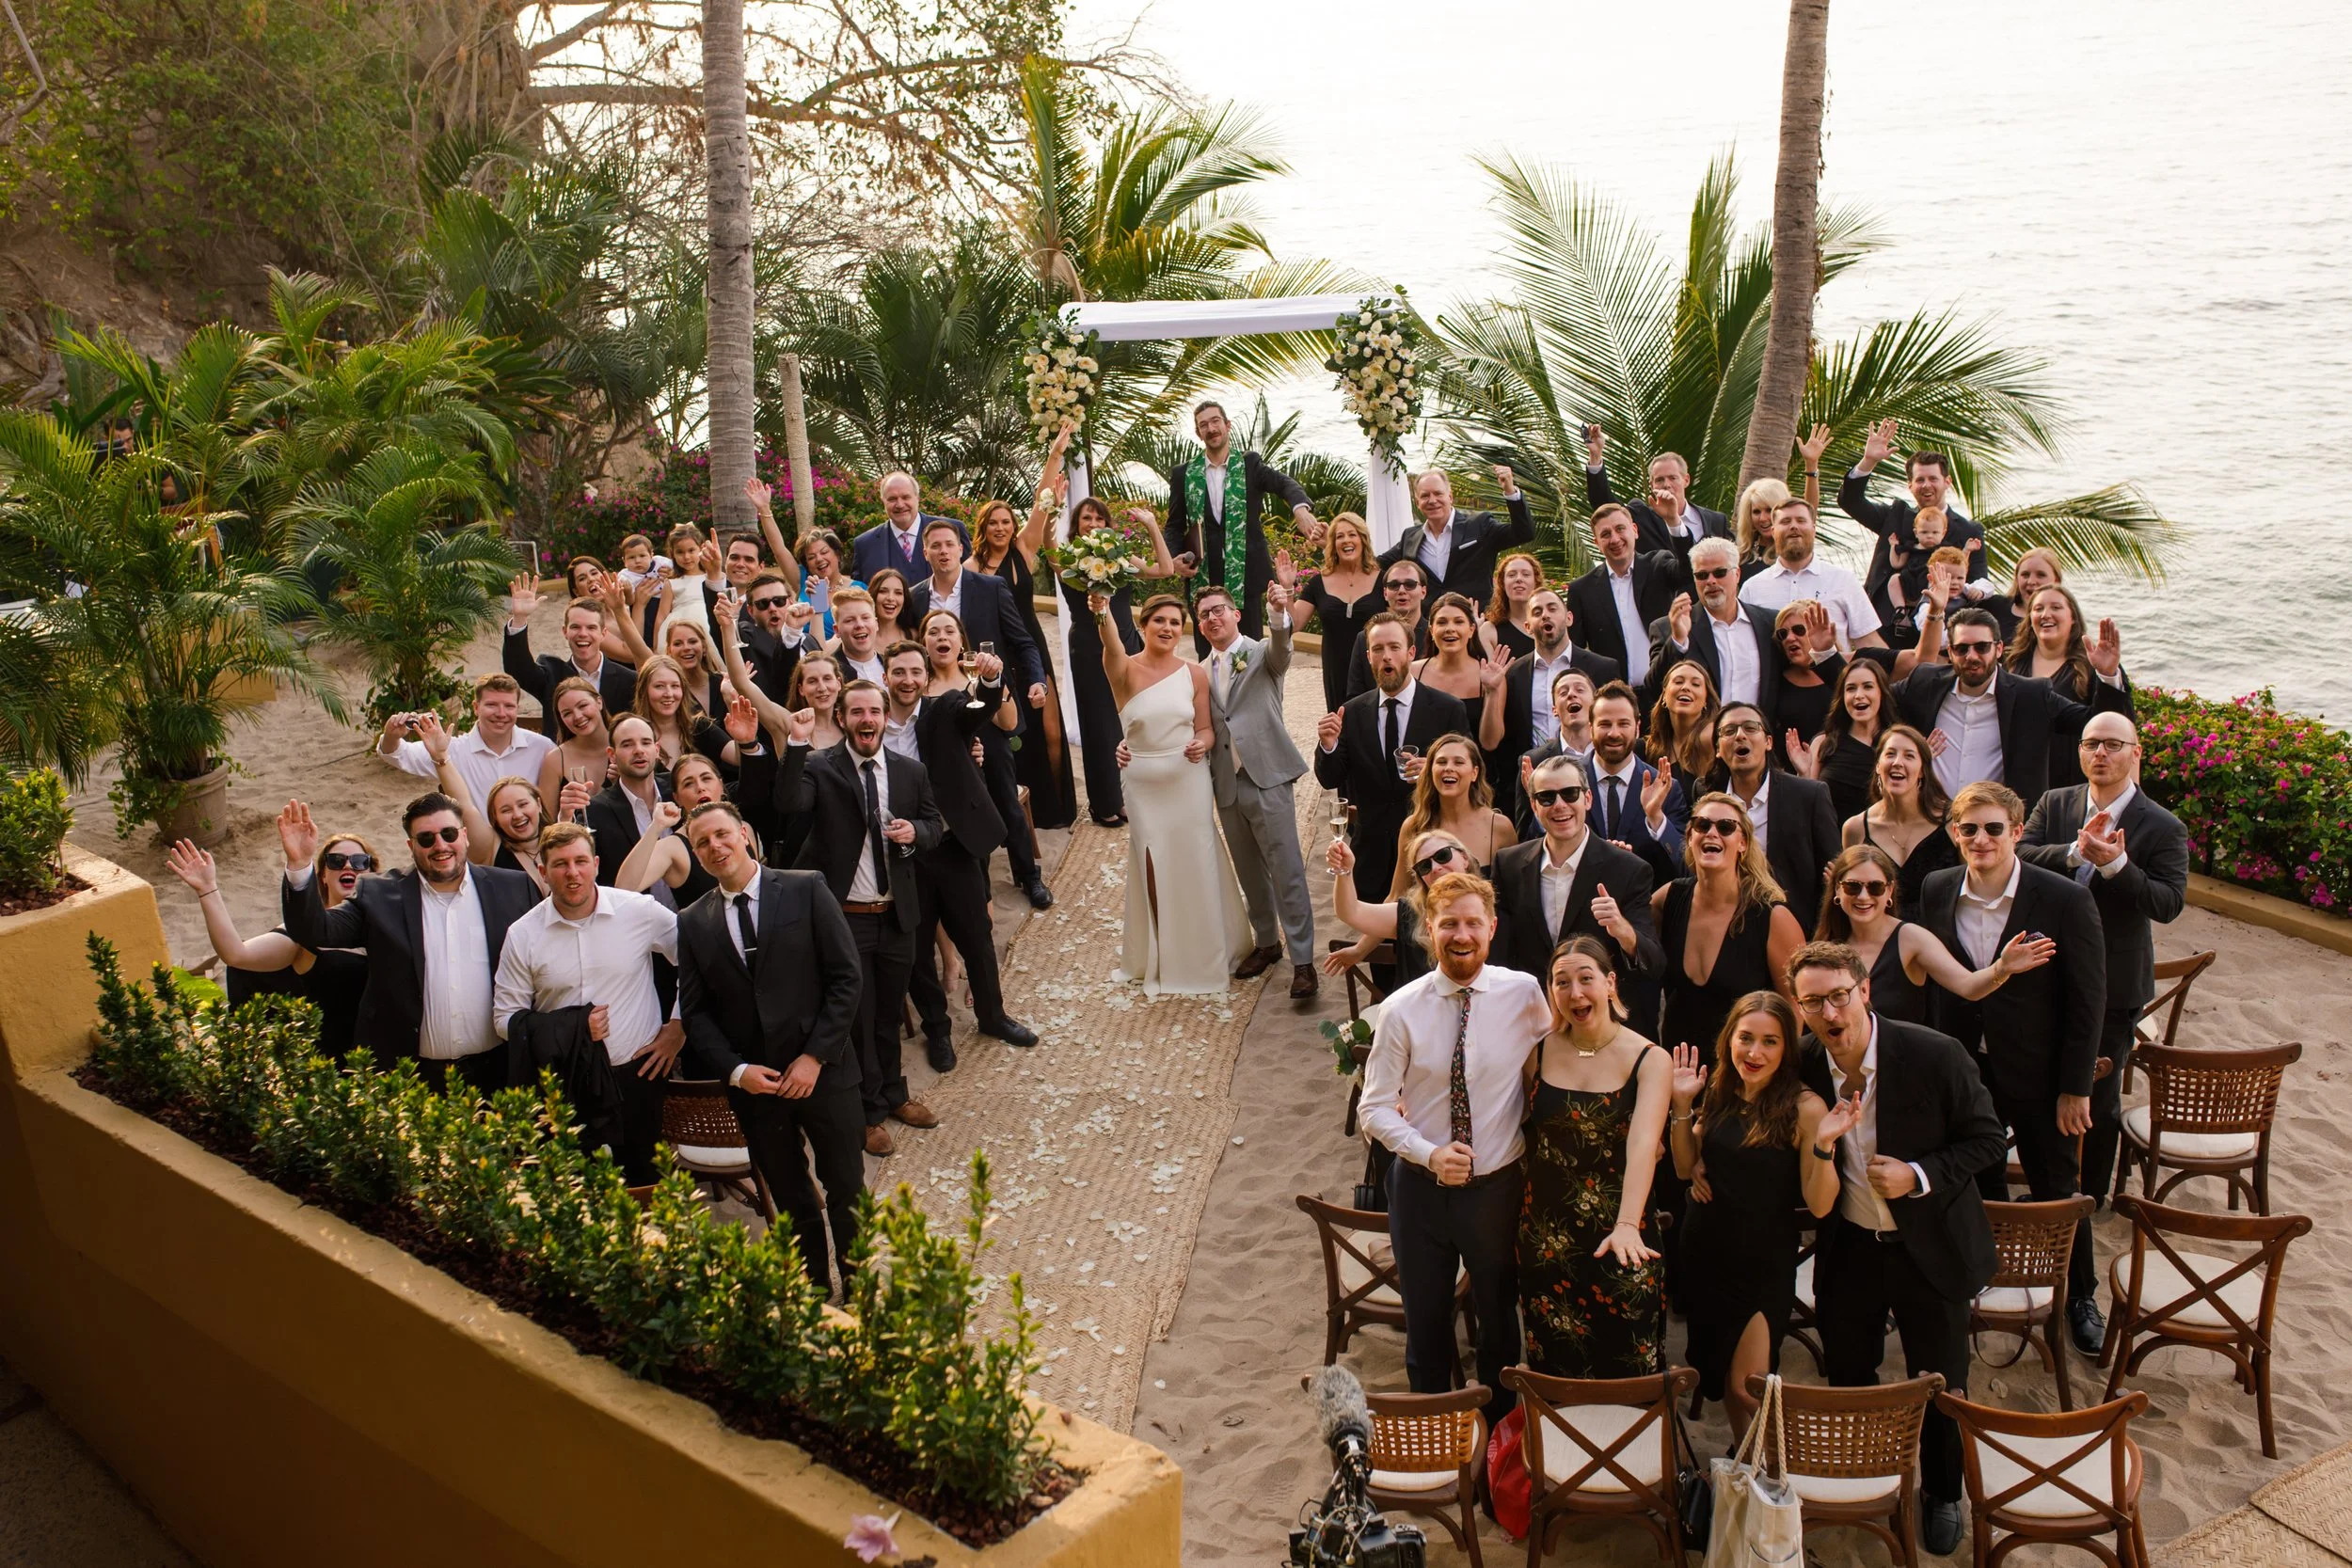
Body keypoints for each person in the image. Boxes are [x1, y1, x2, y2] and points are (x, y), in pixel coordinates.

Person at [1792, 942, 2003, 1558]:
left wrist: (1919, 1173)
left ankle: (1942, 1491)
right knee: (1849, 1368)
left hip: (1930, 1245)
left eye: (1839, 995)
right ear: (1800, 1008)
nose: (1829, 1012)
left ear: (1865, 991)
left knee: (1940, 1380)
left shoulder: (1935, 1053)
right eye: (1813, 1001)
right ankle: (1862, 1475)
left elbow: (1988, 1139)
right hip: (1851, 1246)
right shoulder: (1803, 1063)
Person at [2020, 714, 2189, 1353]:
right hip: (2043, 979)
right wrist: (2071, 853)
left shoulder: (2162, 826)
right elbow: (2020, 855)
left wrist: (2118, 864)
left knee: (2095, 1108)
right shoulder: (2057, 803)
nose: (2100, 753)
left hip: (2113, 993)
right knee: (2040, 1100)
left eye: (2113, 744)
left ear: (2135, 754)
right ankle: (2043, 1207)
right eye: (2091, 743)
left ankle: (2083, 1225)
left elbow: (2168, 903)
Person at [1359, 873, 1551, 1421]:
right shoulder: (1401, 1009)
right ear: (1429, 929)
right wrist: (1428, 1153)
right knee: (1425, 1324)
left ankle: (1499, 1433)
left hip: (1497, 1191)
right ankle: (1437, 1432)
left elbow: (1553, 1067)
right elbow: (1373, 1109)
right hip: (1420, 1193)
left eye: (1472, 923)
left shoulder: (1524, 994)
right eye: (1449, 924)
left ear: (1491, 928)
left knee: (1499, 1321)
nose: (1461, 935)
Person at [674, 800, 867, 1295]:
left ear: (744, 833)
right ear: (695, 854)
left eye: (721, 835)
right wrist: (738, 1072)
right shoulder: (693, 921)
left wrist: (815, 1057)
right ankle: (817, 1291)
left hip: (825, 1074)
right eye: (702, 843)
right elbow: (696, 1014)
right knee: (790, 1194)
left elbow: (846, 978)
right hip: (757, 1089)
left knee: (846, 1188)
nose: (715, 847)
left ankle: (861, 1289)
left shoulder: (806, 888)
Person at [1915, 782, 2106, 1268]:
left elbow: (2087, 1002)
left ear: (2017, 832)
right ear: (1955, 833)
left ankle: (2078, 1293)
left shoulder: (2065, 899)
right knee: (1978, 1180)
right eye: (1969, 829)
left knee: (2056, 1187)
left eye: (1993, 828)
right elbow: (1935, 987)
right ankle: (1989, 1276)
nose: (1981, 839)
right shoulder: (1937, 888)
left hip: (2039, 1073)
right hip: (1966, 1069)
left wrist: (2075, 1087)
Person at [776, 681, 946, 1156]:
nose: (866, 719)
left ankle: (895, 1094)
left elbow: (935, 825)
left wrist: (915, 832)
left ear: (885, 717)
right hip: (844, 918)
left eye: (874, 711)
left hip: (896, 914)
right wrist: (795, 744)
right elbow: (788, 803)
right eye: (857, 712)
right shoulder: (820, 766)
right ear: (843, 719)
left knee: (888, 1013)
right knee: (859, 1018)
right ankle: (869, 1112)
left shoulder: (910, 771)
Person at [278, 794, 539, 1091]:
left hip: (498, 1073)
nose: (440, 845)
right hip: (408, 1078)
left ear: (464, 836)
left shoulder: (513, 888)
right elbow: (315, 930)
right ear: (411, 846)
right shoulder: (378, 896)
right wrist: (299, 865)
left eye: (449, 834)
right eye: (426, 838)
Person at [1667, 994, 1839, 1435]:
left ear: (1787, 1049)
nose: (1754, 1052)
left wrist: (1824, 1147)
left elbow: (1820, 1204)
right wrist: (1682, 1108)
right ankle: (1743, 1461)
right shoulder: (1722, 1090)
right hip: (1705, 1251)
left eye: (1769, 1041)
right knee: (1722, 1371)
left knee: (1749, 1385)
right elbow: (1685, 1166)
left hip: (1762, 1264)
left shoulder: (1805, 1108)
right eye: (1745, 1038)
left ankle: (1767, 1464)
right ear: (1729, 1040)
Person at [491, 824, 682, 1184]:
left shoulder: (638, 910)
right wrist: (573, 1026)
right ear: (543, 872)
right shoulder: (523, 934)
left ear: (595, 864)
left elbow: (697, 961)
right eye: (560, 864)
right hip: (566, 1083)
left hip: (638, 1075)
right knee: (576, 1190)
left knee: (646, 1184)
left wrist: (678, 1027)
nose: (572, 873)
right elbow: (504, 1019)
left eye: (580, 861)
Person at [1518, 935, 1672, 1378]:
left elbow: (1644, 1145)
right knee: (1554, 1363)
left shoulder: (1649, 1059)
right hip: (1546, 1235)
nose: (1575, 993)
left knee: (1629, 1361)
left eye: (1586, 979)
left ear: (1610, 983)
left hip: (1624, 1228)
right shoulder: (1537, 1051)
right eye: (1561, 982)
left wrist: (1627, 1225)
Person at [1091, 591, 1253, 995]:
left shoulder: (1193, 674)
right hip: (1143, 782)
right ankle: (1162, 953)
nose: (1167, 628)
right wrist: (1102, 610)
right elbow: (1111, 642)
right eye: (1159, 621)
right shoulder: (1123, 668)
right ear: (1143, 625)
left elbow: (1205, 728)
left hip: (1189, 779)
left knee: (1197, 859)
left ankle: (1204, 954)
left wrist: (1202, 743)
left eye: (1175, 623)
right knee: (1153, 862)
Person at [885, 641, 1040, 1062]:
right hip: (901, 855)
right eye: (898, 672)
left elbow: (980, 709)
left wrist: (990, 680)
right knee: (918, 950)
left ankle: (993, 1016)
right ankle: (938, 1030)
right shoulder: (871, 723)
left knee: (977, 936)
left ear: (926, 679)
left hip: (954, 845)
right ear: (885, 678)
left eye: (915, 672)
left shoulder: (945, 709)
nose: (907, 680)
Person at [1191, 580, 1319, 998]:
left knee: (1286, 870)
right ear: (1199, 625)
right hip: (1227, 784)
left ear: (1236, 614)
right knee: (1249, 871)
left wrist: (1279, 611)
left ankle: (1303, 961)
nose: (1212, 618)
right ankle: (1267, 942)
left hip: (1267, 777)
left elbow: (1283, 647)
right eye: (1204, 614)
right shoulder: (1199, 671)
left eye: (1218, 610)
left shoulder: (1263, 653)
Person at [1894, 607, 2130, 805]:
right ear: (1950, 651)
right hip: (1929, 820)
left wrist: (2107, 676)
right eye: (1962, 648)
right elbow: (1878, 702)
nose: (1971, 656)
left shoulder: (2032, 695)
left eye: (1982, 647)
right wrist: (1909, 749)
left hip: (2000, 829)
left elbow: (2096, 724)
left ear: (1998, 649)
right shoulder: (1924, 682)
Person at [165, 835, 370, 1058]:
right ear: (323, 876)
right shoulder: (304, 934)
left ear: (373, 875)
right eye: (336, 861)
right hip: (330, 1063)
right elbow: (236, 955)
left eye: (360, 861)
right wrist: (207, 890)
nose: (348, 866)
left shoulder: (385, 925)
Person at [1314, 613, 1471, 903]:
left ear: (1411, 653)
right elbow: (1330, 777)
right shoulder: (1352, 712)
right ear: (1368, 657)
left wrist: (1435, 771)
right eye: (1378, 649)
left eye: (1394, 647)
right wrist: (1328, 746)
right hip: (1370, 858)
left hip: (1430, 858)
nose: (1386, 656)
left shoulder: (1447, 709)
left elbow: (1470, 777)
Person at [1816, 843, 2055, 1026]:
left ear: (1889, 891)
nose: (1863, 896)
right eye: (1852, 886)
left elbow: (1968, 986)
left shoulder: (1910, 938)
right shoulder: (1824, 944)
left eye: (1875, 887)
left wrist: (2003, 967)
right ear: (1837, 889)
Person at [970, 438, 1079, 832]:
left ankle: (1057, 810)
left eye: (1006, 521)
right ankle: (1018, 815)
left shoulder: (1024, 549)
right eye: (993, 523)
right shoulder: (972, 567)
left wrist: (1054, 455)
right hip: (998, 653)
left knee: (1051, 732)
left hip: (1031, 647)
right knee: (1012, 737)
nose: (1000, 528)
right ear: (983, 528)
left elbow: (1041, 504)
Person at [1492, 754, 1664, 1005]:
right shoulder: (1508, 865)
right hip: (1531, 1012)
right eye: (1547, 797)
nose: (1559, 805)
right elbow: (1500, 953)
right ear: (1534, 806)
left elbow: (1654, 962)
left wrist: (1623, 929)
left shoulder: (1628, 869)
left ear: (1588, 798)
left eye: (1570, 794)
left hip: (1597, 1013)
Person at [1057, 496, 1184, 826]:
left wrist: (1151, 524)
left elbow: (1165, 569)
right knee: (1099, 724)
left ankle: (1126, 795)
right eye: (1087, 518)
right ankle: (1103, 802)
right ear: (1076, 525)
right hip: (1089, 647)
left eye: (1099, 519)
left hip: (1127, 642)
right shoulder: (1069, 558)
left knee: (1130, 720)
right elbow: (1045, 545)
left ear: (1108, 524)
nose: (1094, 524)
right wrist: (1049, 511)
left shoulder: (1121, 555)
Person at [915, 604, 1046, 911]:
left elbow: (1010, 723)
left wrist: (995, 680)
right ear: (924, 643)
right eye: (933, 632)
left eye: (949, 631)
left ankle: (1029, 875)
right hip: (947, 769)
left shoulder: (977, 678)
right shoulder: (919, 686)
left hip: (989, 757)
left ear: (962, 642)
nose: (941, 637)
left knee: (1008, 805)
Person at [1652, 794, 1804, 1053]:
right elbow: (1633, 942)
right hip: (1678, 1068)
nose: (1712, 833)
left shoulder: (1773, 917)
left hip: (1745, 1068)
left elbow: (1795, 1010)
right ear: (1690, 836)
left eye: (1725, 827)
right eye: (1702, 825)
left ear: (1742, 843)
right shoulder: (1669, 898)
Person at [1163, 400, 1322, 636]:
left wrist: (1300, 509)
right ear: (1198, 433)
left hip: (1246, 577)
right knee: (1208, 651)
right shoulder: (1183, 474)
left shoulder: (1250, 464)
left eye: (1215, 421)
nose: (1211, 428)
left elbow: (1284, 484)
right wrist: (1174, 558)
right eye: (1204, 425)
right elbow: (1174, 526)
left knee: (1250, 648)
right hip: (1203, 577)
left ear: (1227, 425)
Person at [1710, 703, 1841, 935]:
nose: (1740, 736)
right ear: (1718, 749)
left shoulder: (1809, 796)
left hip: (1794, 931)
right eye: (1729, 731)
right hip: (1724, 929)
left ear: (1769, 742)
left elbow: (1833, 875)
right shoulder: (1708, 796)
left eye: (1750, 728)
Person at [1490, 588, 1620, 821]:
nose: (1545, 615)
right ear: (1528, 627)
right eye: (1537, 612)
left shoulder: (1603, 668)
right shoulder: (1513, 674)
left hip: (1597, 778)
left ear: (1569, 618)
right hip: (1537, 786)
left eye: (1552, 609)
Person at [1838, 419, 1988, 605]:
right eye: (1920, 480)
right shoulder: (1895, 516)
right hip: (1887, 615)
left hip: (1941, 616)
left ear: (1947, 482)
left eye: (1933, 479)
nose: (1926, 485)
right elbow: (1850, 501)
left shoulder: (1969, 531)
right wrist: (1868, 461)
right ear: (1910, 485)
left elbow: (1979, 582)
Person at [2005, 584, 2134, 793]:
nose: (2046, 614)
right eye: (2038, 609)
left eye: (2056, 607)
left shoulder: (2094, 664)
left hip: (2073, 785)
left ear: (2073, 617)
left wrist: (2108, 675)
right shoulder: (2012, 663)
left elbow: (2116, 724)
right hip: (2021, 784)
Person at [373, 673, 556, 816]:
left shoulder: (542, 747)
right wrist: (391, 736)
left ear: (518, 708)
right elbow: (397, 754)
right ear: (476, 707)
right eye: (492, 705)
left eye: (509, 706)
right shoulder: (451, 750)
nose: (501, 714)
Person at [1648, 537, 1785, 723]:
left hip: (1757, 737)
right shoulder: (1667, 628)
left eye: (1720, 573)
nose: (1711, 581)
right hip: (1698, 738)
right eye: (1702, 575)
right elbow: (1654, 689)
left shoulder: (1769, 624)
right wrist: (1677, 641)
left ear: (1737, 574)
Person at [1739, 499, 1886, 655]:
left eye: (1801, 520)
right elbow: (1741, 646)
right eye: (1785, 521)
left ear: (1813, 529)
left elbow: (1870, 644)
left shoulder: (1844, 581)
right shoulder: (1752, 588)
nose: (1793, 526)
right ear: (1773, 531)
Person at [1323, 829, 1465, 991]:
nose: (1435, 868)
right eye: (1424, 866)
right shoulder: (1412, 914)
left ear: (1465, 858)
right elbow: (1350, 912)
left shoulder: (1488, 905)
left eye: (1443, 856)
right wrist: (1344, 871)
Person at [1377, 465, 1535, 609]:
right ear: (1417, 502)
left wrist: (1510, 492)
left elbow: (1523, 533)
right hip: (1431, 624)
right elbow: (1376, 564)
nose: (1432, 500)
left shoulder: (1479, 525)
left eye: (1438, 493)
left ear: (1450, 497)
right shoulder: (1410, 537)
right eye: (1425, 496)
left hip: (1476, 620)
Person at [1840, 723, 1958, 911]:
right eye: (1890, 754)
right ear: (1878, 766)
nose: (1897, 762)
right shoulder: (1856, 828)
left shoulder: (1953, 820)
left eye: (1909, 756)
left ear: (1922, 770)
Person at [1566, 502, 1682, 688]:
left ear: (1634, 530)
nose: (1614, 539)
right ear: (1597, 543)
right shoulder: (1581, 590)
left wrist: (1674, 522)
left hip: (1666, 690)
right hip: (1614, 696)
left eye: (1620, 529)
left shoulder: (1658, 565)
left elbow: (1688, 571)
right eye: (1605, 534)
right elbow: (1576, 652)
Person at [1583, 681, 1685, 884]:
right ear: (1590, 728)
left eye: (1623, 724)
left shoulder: (1666, 788)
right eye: (1605, 724)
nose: (1614, 733)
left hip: (1647, 899)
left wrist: (1656, 818)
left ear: (1637, 728)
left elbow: (1684, 863)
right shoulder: (1566, 783)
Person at [1391, 733, 1516, 896]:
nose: (1448, 768)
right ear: (1431, 771)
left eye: (1459, 762)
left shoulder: (1499, 826)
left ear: (1474, 773)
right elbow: (1397, 896)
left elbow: (1515, 895)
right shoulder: (1414, 826)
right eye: (1441, 762)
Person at [1285, 515, 1383, 713]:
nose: (1346, 540)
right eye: (1339, 536)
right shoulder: (1318, 583)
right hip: (1336, 670)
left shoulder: (1383, 579)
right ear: (1333, 544)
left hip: (1375, 666)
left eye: (1352, 534)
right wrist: (1287, 587)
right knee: (1339, 721)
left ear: (1363, 539)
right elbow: (1294, 623)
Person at [1584, 426, 1731, 557]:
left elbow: (1734, 559)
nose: (1666, 485)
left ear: (1686, 480)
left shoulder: (1716, 521)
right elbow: (1603, 504)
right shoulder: (1641, 517)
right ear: (1651, 485)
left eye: (1673, 478)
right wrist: (1595, 456)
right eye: (1660, 480)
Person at [502, 578, 637, 717]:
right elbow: (519, 670)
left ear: (603, 633)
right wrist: (519, 618)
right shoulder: (552, 675)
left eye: (591, 627)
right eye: (575, 627)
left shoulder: (630, 680)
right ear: (565, 632)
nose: (583, 634)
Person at [1410, 594, 1509, 754]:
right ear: (1432, 631)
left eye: (1458, 622)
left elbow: (1490, 743)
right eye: (1442, 622)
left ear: (1471, 630)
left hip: (1476, 767)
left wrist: (1492, 691)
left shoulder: (1491, 675)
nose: (1450, 628)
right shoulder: (1412, 673)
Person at [1798, 657, 1892, 823]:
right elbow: (1806, 807)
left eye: (1868, 687)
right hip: (1831, 836)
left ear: (1882, 693)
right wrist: (1802, 774)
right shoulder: (1823, 743)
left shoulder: (1895, 744)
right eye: (1851, 689)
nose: (1859, 695)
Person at [583, 715, 675, 885]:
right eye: (627, 744)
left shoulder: (679, 789)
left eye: (646, 742)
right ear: (612, 755)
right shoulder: (595, 810)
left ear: (656, 749)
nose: (639, 750)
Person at [1342, 559, 1439, 700]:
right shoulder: (1364, 638)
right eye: (1394, 585)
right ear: (1385, 593)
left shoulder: (1436, 636)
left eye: (1410, 585)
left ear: (1423, 591)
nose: (1401, 591)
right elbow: (1355, 694)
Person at [849, 470, 969, 581]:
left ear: (917, 497)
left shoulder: (953, 530)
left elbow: (970, 579)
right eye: (892, 499)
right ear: (883, 501)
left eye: (906, 497)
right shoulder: (865, 545)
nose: (900, 505)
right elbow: (859, 593)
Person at [630, 653, 737, 776]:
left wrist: (731, 702)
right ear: (644, 690)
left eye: (675, 686)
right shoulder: (632, 734)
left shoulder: (699, 727)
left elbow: (738, 757)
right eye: (659, 686)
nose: (669, 693)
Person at [1643, 658, 1721, 803]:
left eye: (1696, 684)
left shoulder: (1712, 740)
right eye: (1678, 682)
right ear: (1664, 695)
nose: (1686, 687)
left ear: (1706, 700)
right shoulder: (1648, 747)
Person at [534, 676, 612, 821]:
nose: (577, 716)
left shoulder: (624, 745)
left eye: (582, 706)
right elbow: (547, 823)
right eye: (567, 713)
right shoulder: (555, 760)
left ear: (599, 702)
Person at [1770, 601, 1843, 747]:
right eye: (1783, 634)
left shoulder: (1844, 670)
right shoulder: (1775, 681)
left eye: (1799, 630)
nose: (1790, 638)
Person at [1486, 549, 1545, 660]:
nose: (1519, 579)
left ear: (1536, 582)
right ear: (1502, 583)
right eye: (1511, 575)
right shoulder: (1489, 630)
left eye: (1526, 574)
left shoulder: (1550, 625)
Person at [828, 587, 889, 688]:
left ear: (876, 624)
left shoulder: (892, 665)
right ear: (837, 630)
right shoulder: (829, 672)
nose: (860, 625)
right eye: (849, 620)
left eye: (865, 618)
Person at [866, 567, 914, 647]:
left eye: (898, 593)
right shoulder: (861, 636)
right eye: (883, 591)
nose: (891, 598)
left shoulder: (914, 637)